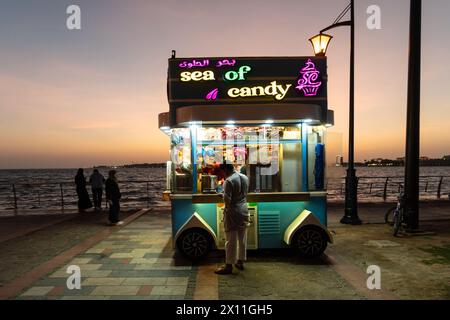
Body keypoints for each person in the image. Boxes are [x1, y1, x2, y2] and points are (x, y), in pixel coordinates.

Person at [215, 163, 250, 275]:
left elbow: (227, 200)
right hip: (244, 209)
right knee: (242, 238)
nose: (221, 174)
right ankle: (240, 261)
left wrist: (222, 195)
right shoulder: (245, 177)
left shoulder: (228, 181)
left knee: (230, 239)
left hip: (233, 211)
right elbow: (242, 194)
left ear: (225, 170)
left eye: (221, 171)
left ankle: (228, 265)